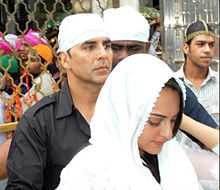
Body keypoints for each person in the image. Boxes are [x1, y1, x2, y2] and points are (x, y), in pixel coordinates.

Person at [57, 54, 201, 190]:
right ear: (126, 113)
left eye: (174, 121)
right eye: (154, 121)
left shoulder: (175, 158)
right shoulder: (90, 172)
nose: (168, 133)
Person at [5, 13, 112, 189]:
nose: (103, 54)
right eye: (89, 47)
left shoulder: (126, 112)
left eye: (107, 45)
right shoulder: (38, 122)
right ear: (64, 60)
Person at [103, 6, 218, 129]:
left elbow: (213, 135)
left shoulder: (167, 85)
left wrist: (170, 116)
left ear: (146, 48)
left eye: (133, 49)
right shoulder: (92, 85)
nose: (124, 57)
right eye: (115, 48)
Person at [176, 20, 219, 125]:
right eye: (201, 44)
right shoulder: (172, 84)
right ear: (186, 48)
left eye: (211, 45)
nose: (207, 50)